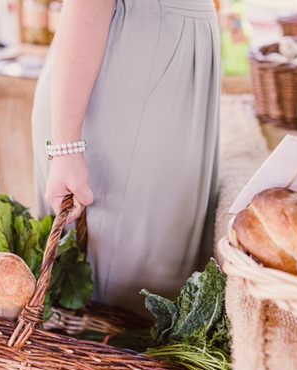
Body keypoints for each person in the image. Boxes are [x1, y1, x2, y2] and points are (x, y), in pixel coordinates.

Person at [31, 0, 220, 317]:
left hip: (162, 68)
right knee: (122, 302)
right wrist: (65, 146)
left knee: (151, 295)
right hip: (129, 80)